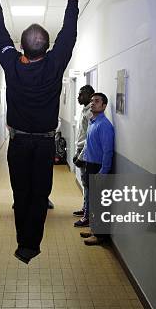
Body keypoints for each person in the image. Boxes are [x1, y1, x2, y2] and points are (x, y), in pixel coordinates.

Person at [0, 0, 81, 263]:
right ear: (48, 47)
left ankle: (22, 243)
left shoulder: (11, 63)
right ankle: (31, 245)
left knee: (21, 193)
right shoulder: (54, 65)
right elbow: (69, 35)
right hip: (43, 145)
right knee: (40, 195)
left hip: (17, 143)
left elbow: (0, 33)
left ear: (22, 48)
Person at [75, 93, 114, 247]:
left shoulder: (104, 125)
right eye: (92, 101)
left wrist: (103, 172)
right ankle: (94, 229)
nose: (92, 103)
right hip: (90, 165)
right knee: (93, 200)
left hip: (99, 167)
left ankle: (100, 236)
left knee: (100, 204)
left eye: (97, 101)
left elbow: (108, 152)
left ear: (104, 106)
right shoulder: (93, 122)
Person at [72, 85, 95, 221]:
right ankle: (85, 208)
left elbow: (89, 138)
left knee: (87, 184)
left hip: (86, 152)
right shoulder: (84, 110)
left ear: (89, 95)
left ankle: (87, 214)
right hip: (81, 149)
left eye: (81, 94)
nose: (78, 97)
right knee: (84, 182)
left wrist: (81, 156)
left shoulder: (90, 113)